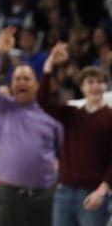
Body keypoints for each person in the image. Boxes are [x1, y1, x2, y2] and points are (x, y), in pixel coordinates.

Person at [0, 27, 62, 226]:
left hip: (44, 194)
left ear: (37, 85)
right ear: (11, 85)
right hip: (10, 194)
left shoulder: (52, 114)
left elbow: (64, 151)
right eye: (17, 79)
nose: (21, 82)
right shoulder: (4, 108)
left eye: (26, 79)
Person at [37, 43, 112, 226]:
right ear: (82, 87)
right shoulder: (72, 114)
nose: (95, 86)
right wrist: (49, 64)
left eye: (99, 82)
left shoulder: (110, 116)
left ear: (105, 86)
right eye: (90, 82)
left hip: (93, 192)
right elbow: (42, 100)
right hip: (65, 191)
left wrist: (103, 190)